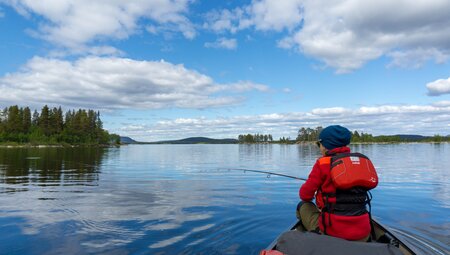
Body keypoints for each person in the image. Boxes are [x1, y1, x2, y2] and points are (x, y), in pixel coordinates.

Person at [297, 125, 375, 242]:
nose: (319, 147)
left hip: (332, 233)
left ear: (325, 145)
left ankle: (312, 239)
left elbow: (305, 195)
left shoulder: (322, 164)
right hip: (363, 233)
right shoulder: (361, 162)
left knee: (302, 205)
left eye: (319, 144)